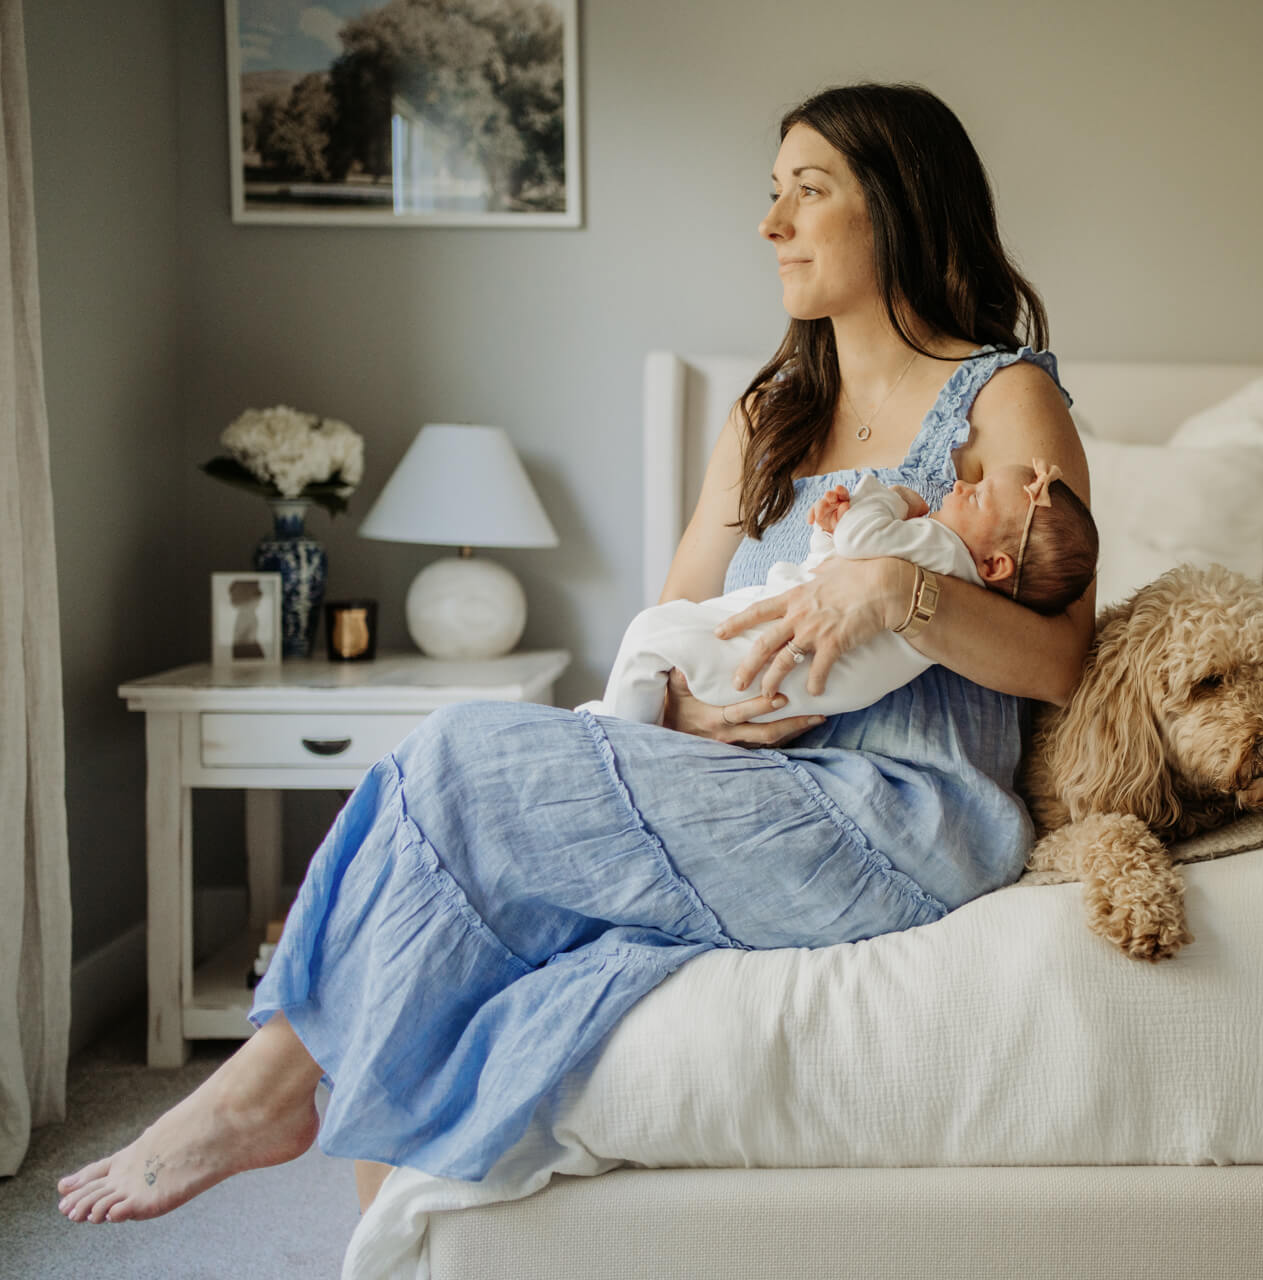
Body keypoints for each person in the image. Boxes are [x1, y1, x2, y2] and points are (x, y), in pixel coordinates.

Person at [56, 80, 1094, 1225]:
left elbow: (1058, 664)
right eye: (771, 194)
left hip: (900, 811)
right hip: (737, 776)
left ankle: (265, 1089)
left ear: (898, 206)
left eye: (809, 192)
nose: (772, 226)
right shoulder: (768, 416)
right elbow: (674, 618)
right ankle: (370, 1197)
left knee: (457, 760)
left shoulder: (1005, 397)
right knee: (461, 870)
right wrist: (692, 721)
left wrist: (900, 588)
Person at [579, 461, 1096, 724]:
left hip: (765, 662)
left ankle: (618, 737)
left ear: (995, 564)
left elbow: (861, 538)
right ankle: (624, 727)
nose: (960, 487)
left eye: (977, 496)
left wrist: (887, 497)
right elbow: (835, 565)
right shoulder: (949, 563)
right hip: (788, 688)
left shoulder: (942, 548)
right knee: (662, 641)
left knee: (650, 631)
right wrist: (828, 532)